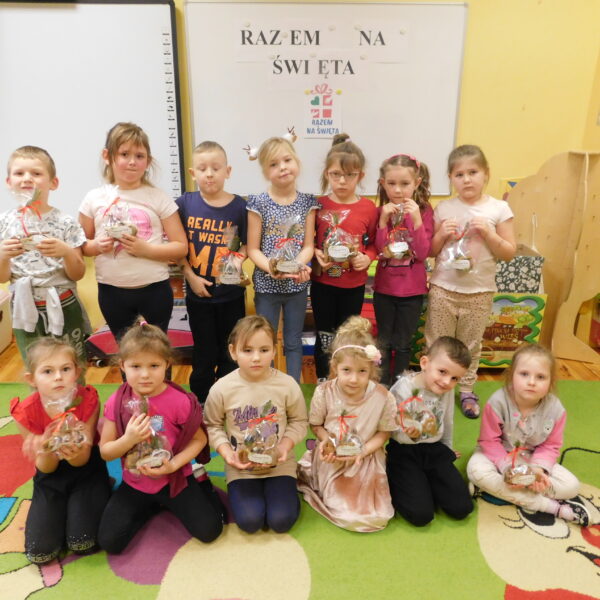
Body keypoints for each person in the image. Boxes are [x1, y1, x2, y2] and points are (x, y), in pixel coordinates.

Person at [97, 318, 223, 553]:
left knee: (210, 531)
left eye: (154, 366)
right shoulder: (117, 402)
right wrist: (128, 439)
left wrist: (173, 465)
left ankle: (202, 485)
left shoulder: (180, 401)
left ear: (167, 364)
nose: (145, 375)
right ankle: (151, 505)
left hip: (175, 479)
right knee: (110, 542)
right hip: (136, 483)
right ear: (122, 365)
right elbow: (105, 452)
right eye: (136, 366)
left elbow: (200, 439)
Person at [425, 144, 516, 418]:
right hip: (443, 289)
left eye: (473, 172)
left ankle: (465, 389)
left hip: (479, 292)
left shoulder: (499, 208)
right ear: (450, 178)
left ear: (486, 174)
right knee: (437, 342)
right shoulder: (444, 208)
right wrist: (442, 234)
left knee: (470, 345)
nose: (466, 179)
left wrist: (489, 234)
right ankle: (432, 389)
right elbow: (431, 251)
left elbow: (509, 252)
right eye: (459, 174)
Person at [79, 122, 187, 342]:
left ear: (148, 161)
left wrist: (146, 250)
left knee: (158, 349)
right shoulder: (93, 198)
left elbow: (180, 247)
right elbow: (81, 246)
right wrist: (97, 246)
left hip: (155, 289)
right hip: (111, 291)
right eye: (124, 154)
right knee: (125, 350)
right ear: (107, 156)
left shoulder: (158, 197)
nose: (132, 162)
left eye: (139, 156)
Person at [204, 315, 308, 533]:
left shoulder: (287, 385)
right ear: (233, 351)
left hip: (280, 466)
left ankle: (287, 491)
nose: (256, 358)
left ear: (274, 351)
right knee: (250, 521)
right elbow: (212, 425)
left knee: (281, 521)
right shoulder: (221, 388)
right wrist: (226, 453)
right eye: (247, 350)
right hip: (241, 468)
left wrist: (285, 445)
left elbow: (299, 421)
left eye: (264, 350)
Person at [9, 338, 110, 563]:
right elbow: (46, 468)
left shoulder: (87, 400)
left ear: (77, 372)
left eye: (65, 369)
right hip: (50, 478)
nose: (58, 377)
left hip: (86, 470)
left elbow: (82, 460)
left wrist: (73, 448)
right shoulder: (25, 412)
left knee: (83, 542)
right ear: (32, 379)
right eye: (47, 371)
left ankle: (99, 489)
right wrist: (45, 449)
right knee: (40, 553)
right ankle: (61, 506)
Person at [467, 343, 591, 526]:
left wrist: (538, 471)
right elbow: (489, 441)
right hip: (497, 457)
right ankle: (552, 507)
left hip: (531, 459)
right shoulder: (497, 402)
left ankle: (491, 491)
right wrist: (507, 469)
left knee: (572, 486)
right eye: (524, 374)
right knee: (475, 471)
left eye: (540, 377)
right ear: (511, 375)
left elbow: (551, 446)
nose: (531, 382)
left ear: (550, 382)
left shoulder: (556, 410)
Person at [297, 316, 397, 532]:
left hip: (366, 459)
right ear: (335, 367)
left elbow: (384, 433)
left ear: (372, 369)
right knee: (345, 511)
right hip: (333, 458)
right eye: (346, 370)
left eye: (362, 371)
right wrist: (327, 441)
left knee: (377, 514)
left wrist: (363, 451)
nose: (354, 379)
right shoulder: (324, 392)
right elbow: (316, 425)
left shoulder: (383, 397)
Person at [1, 146, 89, 363]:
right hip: (23, 306)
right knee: (36, 365)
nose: (27, 178)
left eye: (36, 173)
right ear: (9, 182)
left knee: (72, 362)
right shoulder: (4, 223)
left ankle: (76, 386)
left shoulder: (66, 222)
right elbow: (2, 278)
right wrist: (2, 256)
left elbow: (78, 273)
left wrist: (66, 252)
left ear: (53, 183)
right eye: (19, 173)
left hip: (63, 302)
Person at [176, 141, 248, 403]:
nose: (209, 174)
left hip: (231, 295)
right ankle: (201, 401)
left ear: (228, 171)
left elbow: (248, 243)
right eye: (202, 168)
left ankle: (228, 399)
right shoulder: (184, 204)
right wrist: (190, 276)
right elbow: (177, 246)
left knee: (231, 350)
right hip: (198, 295)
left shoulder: (239, 207)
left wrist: (238, 260)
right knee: (204, 351)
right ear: (193, 173)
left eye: (216, 168)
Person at [246, 136, 319, 382]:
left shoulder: (307, 202)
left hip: (296, 286)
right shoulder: (258, 202)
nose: (283, 167)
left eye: (287, 160)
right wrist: (272, 268)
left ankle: (292, 389)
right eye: (274, 164)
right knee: (264, 341)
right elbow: (253, 249)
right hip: (267, 286)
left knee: (293, 341)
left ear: (296, 162)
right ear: (265, 172)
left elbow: (308, 246)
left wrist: (298, 265)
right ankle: (266, 387)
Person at [386, 336, 474, 526]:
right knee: (420, 515)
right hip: (404, 451)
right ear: (425, 363)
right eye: (442, 372)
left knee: (462, 508)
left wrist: (447, 450)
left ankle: (426, 482)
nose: (446, 382)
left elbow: (448, 420)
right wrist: (407, 433)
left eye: (454, 378)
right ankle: (402, 479)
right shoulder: (403, 388)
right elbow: (389, 426)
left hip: (433, 449)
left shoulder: (446, 390)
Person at [311, 133, 378, 380]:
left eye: (350, 175)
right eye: (336, 174)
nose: (342, 181)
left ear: (360, 175)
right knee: (324, 335)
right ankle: (323, 380)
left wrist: (367, 257)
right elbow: (308, 242)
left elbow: (374, 243)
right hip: (323, 285)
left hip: (353, 285)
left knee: (348, 336)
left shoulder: (368, 208)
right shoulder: (317, 205)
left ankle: (344, 379)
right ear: (326, 173)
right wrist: (315, 253)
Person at [373, 153, 434, 386]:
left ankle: (399, 384)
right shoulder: (381, 211)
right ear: (383, 183)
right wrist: (382, 222)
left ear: (416, 183)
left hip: (412, 290)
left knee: (403, 343)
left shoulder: (425, 211)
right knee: (384, 341)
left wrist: (416, 219)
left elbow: (423, 253)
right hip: (385, 289)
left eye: (405, 183)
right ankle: (382, 383)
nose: (398, 190)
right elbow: (380, 252)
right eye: (391, 183)